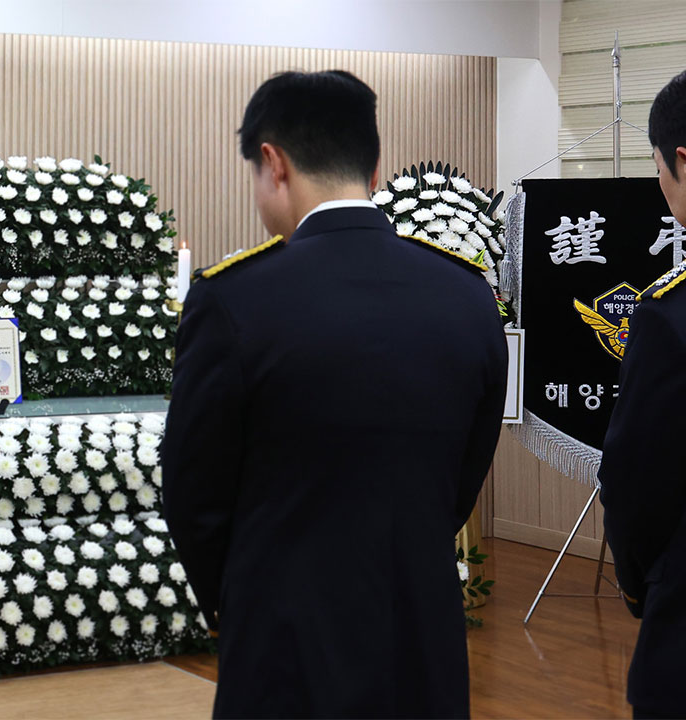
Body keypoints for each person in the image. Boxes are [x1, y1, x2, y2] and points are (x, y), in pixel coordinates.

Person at [159, 70, 508, 718]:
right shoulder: (466, 295)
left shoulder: (234, 299)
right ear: (374, 166)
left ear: (273, 162)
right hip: (421, 648)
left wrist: (240, 594)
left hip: (284, 647)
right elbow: (462, 479)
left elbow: (193, 494)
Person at [599, 68, 686, 720]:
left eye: (658, 169)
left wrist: (637, 584)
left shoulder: (668, 315)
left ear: (680, 161)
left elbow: (636, 477)